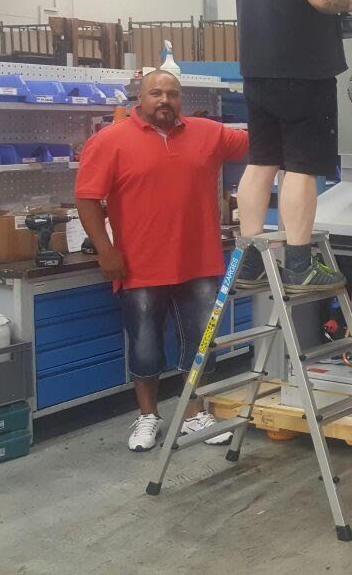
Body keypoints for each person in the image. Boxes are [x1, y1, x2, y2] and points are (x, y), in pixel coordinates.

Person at [75, 70, 249, 452]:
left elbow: (258, 142)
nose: (165, 100)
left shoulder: (209, 133)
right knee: (145, 345)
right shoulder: (109, 141)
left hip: (199, 263)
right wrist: (105, 250)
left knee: (201, 342)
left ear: (181, 99)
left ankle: (194, 412)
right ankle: (147, 416)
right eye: (156, 93)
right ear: (140, 98)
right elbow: (86, 198)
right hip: (139, 265)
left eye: (172, 93)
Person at [228, 0, 352, 292]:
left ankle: (249, 261)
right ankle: (299, 263)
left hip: (257, 70)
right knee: (302, 165)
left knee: (261, 160)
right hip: (303, 71)